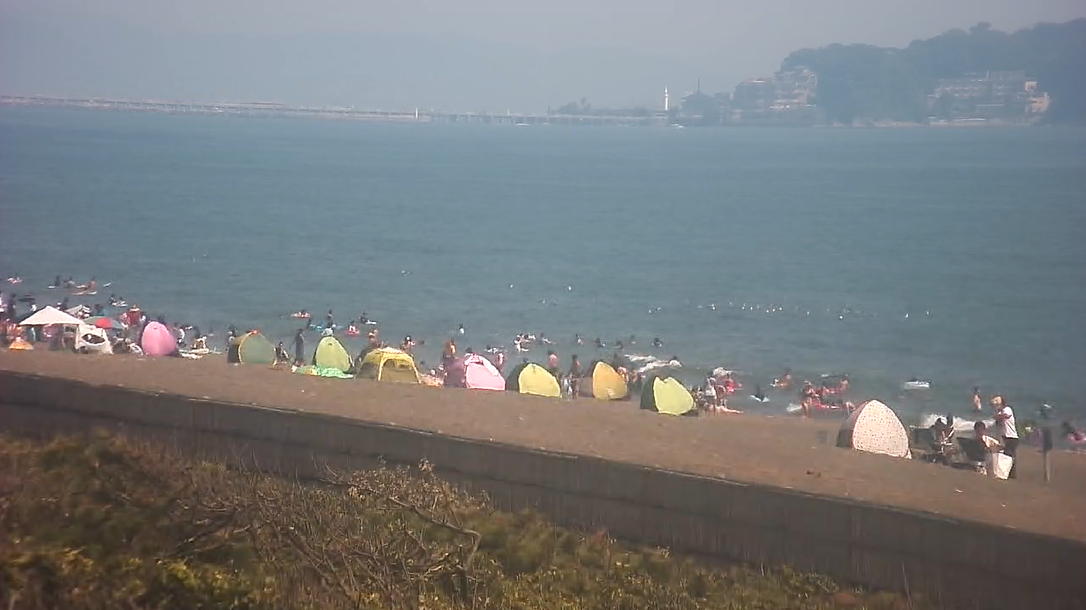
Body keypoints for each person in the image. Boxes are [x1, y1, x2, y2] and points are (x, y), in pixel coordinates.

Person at [991, 395, 1019, 479]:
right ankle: (1009, 474)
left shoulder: (1008, 409)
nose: (996, 407)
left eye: (997, 405)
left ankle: (1010, 474)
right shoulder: (999, 413)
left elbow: (1005, 415)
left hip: (1012, 437)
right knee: (1008, 455)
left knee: (1008, 455)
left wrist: (996, 417)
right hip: (1005, 437)